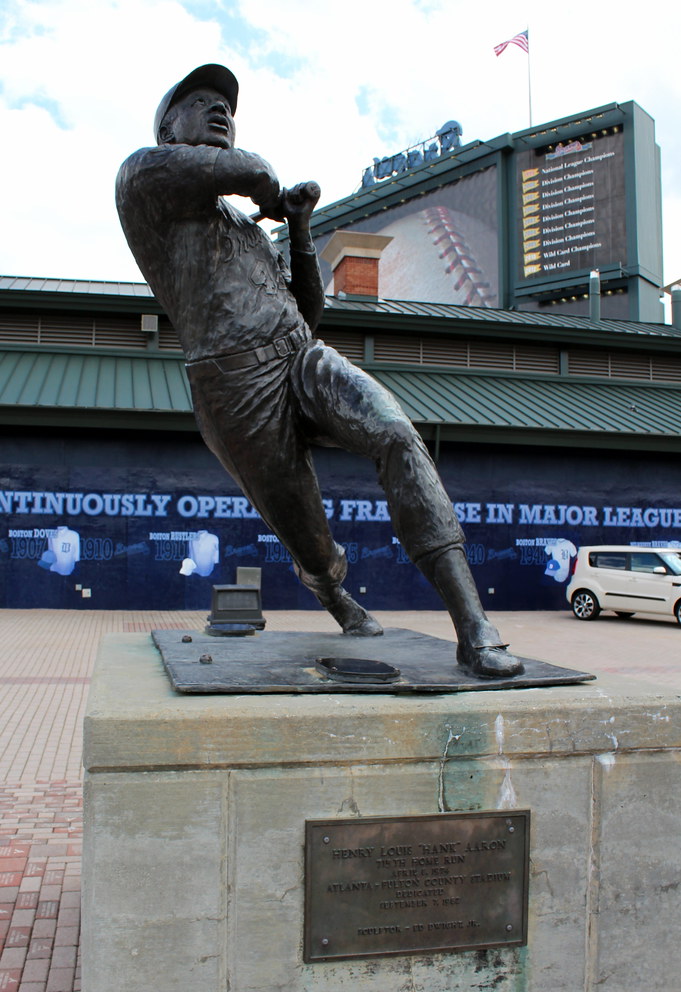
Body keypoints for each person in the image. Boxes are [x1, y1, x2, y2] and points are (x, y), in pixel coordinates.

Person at [116, 64, 522, 678]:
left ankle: (475, 628)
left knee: (395, 434)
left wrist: (299, 229)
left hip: (300, 356)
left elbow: (306, 310)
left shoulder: (244, 229)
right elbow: (252, 172)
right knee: (311, 540)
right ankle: (335, 596)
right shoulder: (143, 177)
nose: (220, 110)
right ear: (169, 127)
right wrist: (271, 190)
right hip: (235, 389)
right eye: (201, 102)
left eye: (225, 102)